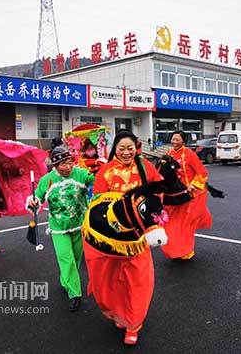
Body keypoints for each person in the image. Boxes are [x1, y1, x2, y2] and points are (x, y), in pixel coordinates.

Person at [85, 130, 163, 345]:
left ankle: (133, 324)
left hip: (138, 239)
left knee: (138, 282)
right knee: (110, 282)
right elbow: (98, 203)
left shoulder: (145, 167)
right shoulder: (106, 171)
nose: (126, 152)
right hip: (114, 239)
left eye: (130, 148)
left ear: (136, 148)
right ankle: (119, 313)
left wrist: (153, 217)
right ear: (115, 149)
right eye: (122, 148)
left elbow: (158, 192)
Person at [27, 146, 94, 312]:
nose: (68, 167)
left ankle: (66, 280)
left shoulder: (80, 173)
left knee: (76, 259)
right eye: (64, 164)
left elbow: (96, 181)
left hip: (79, 225)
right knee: (66, 259)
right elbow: (37, 197)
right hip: (58, 228)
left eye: (70, 162)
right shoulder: (47, 180)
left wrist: (101, 171)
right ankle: (75, 294)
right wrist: (33, 202)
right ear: (55, 165)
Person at [160, 131, 212, 260]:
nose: (174, 142)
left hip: (189, 196)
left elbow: (202, 173)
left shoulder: (190, 154)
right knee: (172, 225)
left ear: (183, 141)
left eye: (177, 139)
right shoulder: (169, 153)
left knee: (185, 226)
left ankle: (186, 250)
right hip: (174, 196)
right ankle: (175, 249)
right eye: (173, 139)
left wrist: (193, 186)